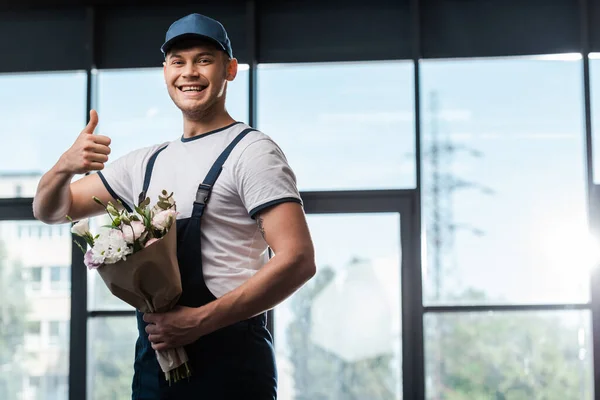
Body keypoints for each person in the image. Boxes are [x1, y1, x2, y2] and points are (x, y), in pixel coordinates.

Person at [33, 12, 316, 400]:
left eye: (204, 59)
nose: (190, 72)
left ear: (229, 70)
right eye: (178, 61)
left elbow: (298, 259)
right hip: (155, 360)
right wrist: (64, 167)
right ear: (165, 71)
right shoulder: (145, 163)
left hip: (231, 363)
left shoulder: (252, 152)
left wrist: (199, 322)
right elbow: (51, 210)